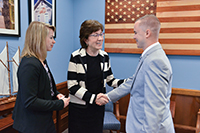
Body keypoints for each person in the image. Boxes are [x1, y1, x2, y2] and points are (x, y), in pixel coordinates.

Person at [98, 14, 175, 133]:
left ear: (147, 33)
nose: (134, 37)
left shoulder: (155, 61)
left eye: (135, 32)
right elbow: (132, 82)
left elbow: (155, 108)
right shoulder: (149, 57)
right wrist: (108, 97)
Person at [67, 19, 126, 133]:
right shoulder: (76, 57)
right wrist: (93, 98)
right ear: (85, 39)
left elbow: (110, 80)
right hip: (79, 110)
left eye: (101, 34)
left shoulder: (104, 56)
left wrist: (128, 82)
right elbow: (72, 86)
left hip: (97, 109)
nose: (100, 38)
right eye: (95, 35)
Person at [12, 21, 70, 133]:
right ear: (40, 39)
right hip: (32, 124)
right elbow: (30, 101)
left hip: (44, 120)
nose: (54, 41)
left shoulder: (41, 60)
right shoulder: (29, 64)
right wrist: (59, 104)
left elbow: (46, 87)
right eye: (51, 38)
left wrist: (57, 95)